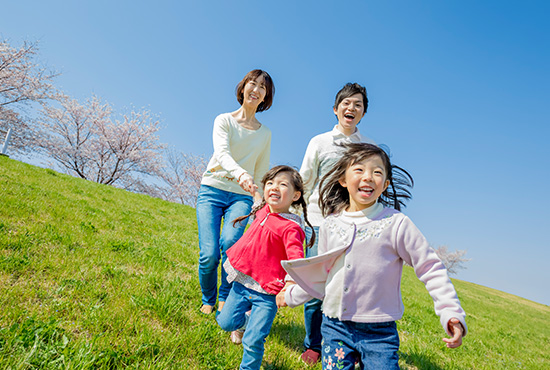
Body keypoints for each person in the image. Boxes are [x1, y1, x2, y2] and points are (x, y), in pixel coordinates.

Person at [278, 143, 467, 370]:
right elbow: (323, 273)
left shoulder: (396, 224)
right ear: (343, 180)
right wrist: (292, 296)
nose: (368, 177)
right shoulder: (331, 224)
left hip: (379, 332)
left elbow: (430, 267)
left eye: (377, 172)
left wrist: (450, 311)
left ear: (385, 185)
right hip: (335, 326)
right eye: (359, 170)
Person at [297, 82, 375, 365]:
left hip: (354, 226)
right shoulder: (319, 142)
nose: (351, 108)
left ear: (363, 113)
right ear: (335, 108)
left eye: (358, 104)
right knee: (317, 288)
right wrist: (297, 213)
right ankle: (313, 344)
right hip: (318, 222)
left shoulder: (369, 148)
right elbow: (305, 179)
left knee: (348, 287)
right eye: (346, 103)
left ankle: (345, 345)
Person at [216, 165, 315, 370]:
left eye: (282, 184)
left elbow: (295, 258)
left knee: (253, 340)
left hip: (267, 293)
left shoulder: (292, 228)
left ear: (295, 196)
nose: (274, 187)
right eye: (270, 183)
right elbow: (257, 200)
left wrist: (288, 285)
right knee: (225, 322)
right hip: (242, 283)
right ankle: (245, 322)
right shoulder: (262, 210)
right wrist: (253, 190)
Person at [196, 69, 275, 315]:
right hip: (212, 190)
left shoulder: (265, 134)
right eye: (253, 83)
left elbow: (262, 169)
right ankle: (207, 300)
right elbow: (222, 153)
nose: (256, 89)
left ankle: (224, 297)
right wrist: (241, 174)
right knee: (208, 254)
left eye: (262, 87)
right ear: (243, 88)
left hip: (241, 198)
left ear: (266, 97)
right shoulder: (224, 120)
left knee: (231, 244)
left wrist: (260, 198)